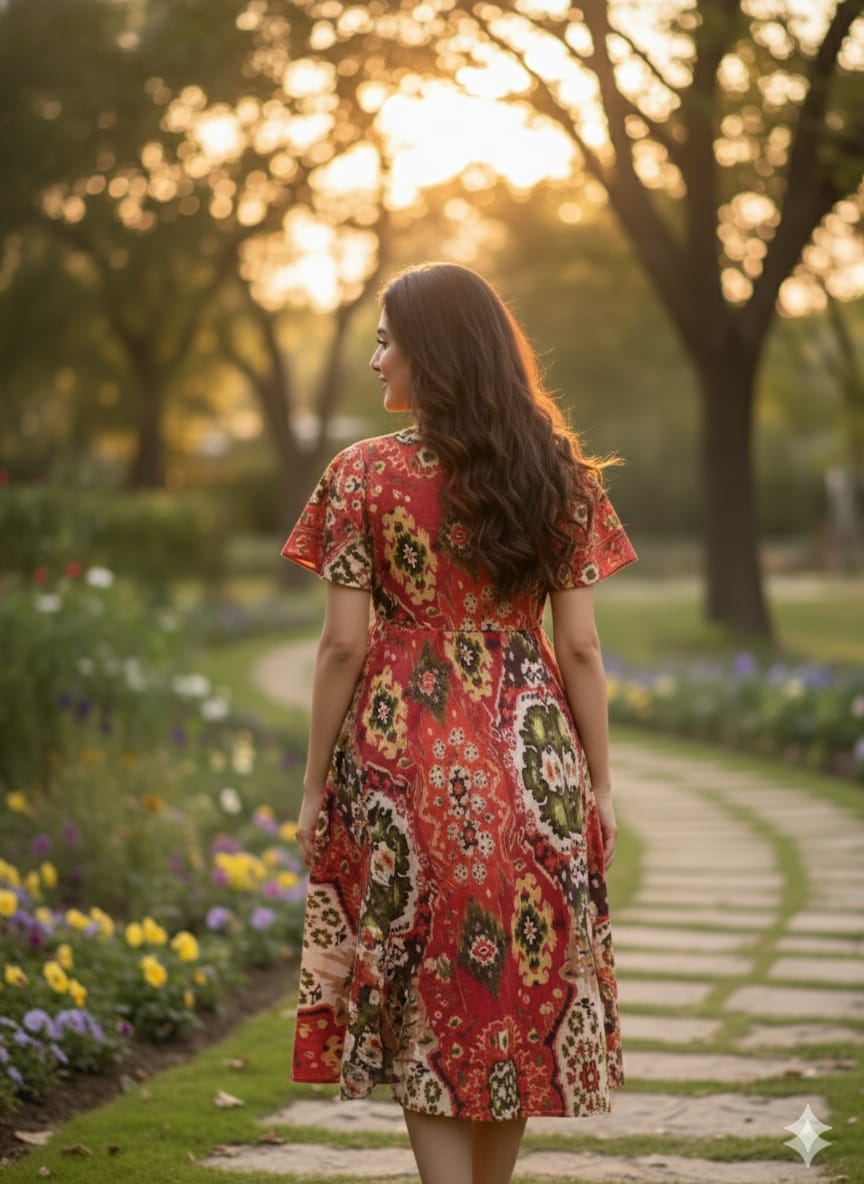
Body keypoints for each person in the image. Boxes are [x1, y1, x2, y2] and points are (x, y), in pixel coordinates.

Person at [281, 262, 637, 1184]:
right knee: (513, 987)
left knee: (422, 990)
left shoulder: (361, 474)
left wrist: (314, 784)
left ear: (430, 352)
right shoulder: (557, 473)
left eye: (385, 343)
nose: (375, 362)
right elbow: (582, 648)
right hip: (534, 763)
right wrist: (599, 785)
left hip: (404, 760)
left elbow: (341, 647)